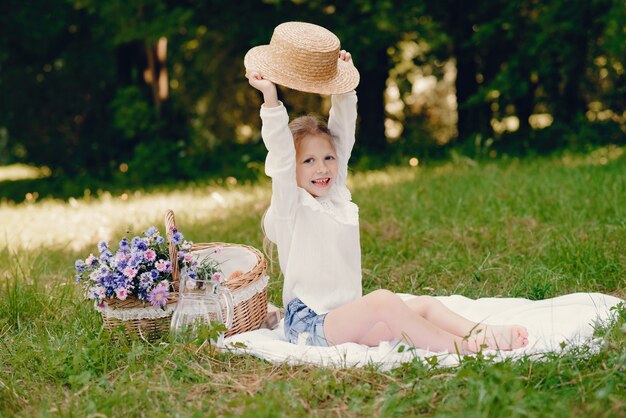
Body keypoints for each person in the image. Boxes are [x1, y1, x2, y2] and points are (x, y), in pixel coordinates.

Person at [245, 22, 528, 354]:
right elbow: (279, 155)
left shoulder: (336, 195)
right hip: (310, 323)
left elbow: (344, 134)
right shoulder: (290, 204)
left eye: (327, 158)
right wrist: (271, 100)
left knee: (423, 306)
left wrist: (343, 87)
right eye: (308, 162)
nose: (322, 169)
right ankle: (464, 347)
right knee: (383, 301)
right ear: (292, 169)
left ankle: (486, 332)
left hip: (344, 316)